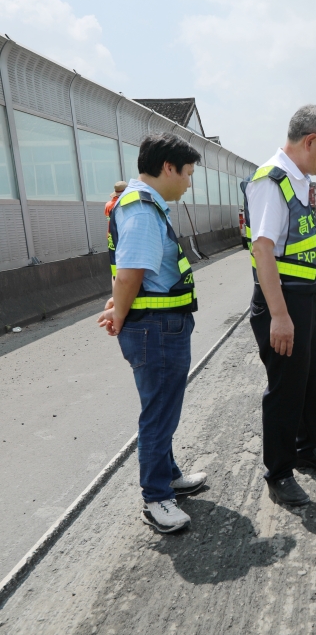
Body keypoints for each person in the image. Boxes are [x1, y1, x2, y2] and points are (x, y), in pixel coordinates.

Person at [97, 133, 207, 533]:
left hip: (159, 325)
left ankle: (168, 475)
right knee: (158, 414)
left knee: (161, 408)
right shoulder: (143, 209)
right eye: (188, 173)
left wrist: (119, 306)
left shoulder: (142, 204)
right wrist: (120, 313)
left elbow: (132, 275)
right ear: (168, 167)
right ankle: (156, 497)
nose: (189, 182)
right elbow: (130, 274)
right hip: (156, 329)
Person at [242, 104, 316, 507]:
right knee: (286, 388)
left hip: (306, 298)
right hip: (282, 301)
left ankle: (306, 446)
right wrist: (280, 316)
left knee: (312, 378)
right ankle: (279, 472)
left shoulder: (300, 181)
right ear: (310, 141)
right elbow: (262, 249)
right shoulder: (272, 180)